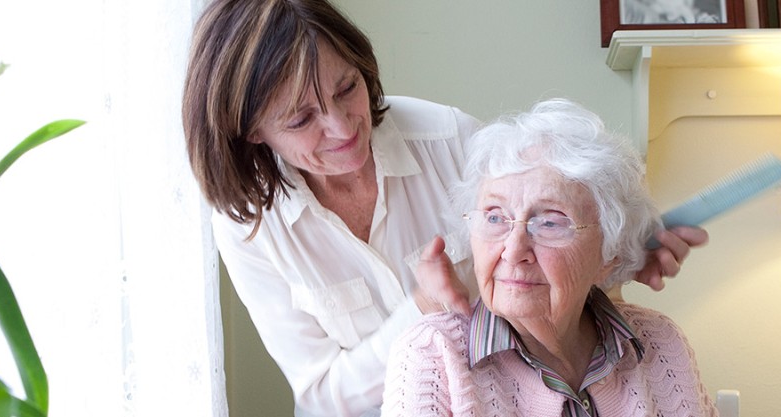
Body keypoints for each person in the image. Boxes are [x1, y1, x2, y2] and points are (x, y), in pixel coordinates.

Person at [181, 1, 709, 415]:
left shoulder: (447, 136)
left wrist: (618, 257)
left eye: (348, 89)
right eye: (301, 120)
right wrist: (422, 310)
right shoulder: (247, 226)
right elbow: (321, 393)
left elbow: (549, 260)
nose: (343, 127)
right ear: (253, 132)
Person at [381, 99, 717, 416]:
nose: (513, 251)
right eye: (495, 217)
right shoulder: (433, 355)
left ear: (610, 254)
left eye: (550, 222)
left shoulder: (659, 341)